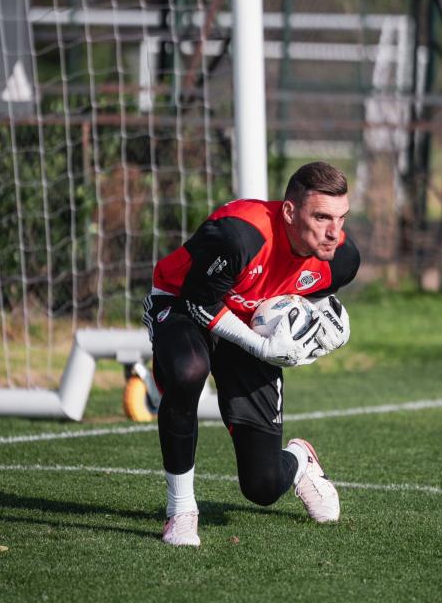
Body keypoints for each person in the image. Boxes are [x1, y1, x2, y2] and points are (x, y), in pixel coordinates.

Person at [143, 161, 360, 546]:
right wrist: (261, 346)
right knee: (188, 370)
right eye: (322, 217)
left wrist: (325, 325)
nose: (334, 232)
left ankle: (298, 462)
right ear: (290, 212)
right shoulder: (239, 235)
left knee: (261, 486)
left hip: (249, 319)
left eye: (341, 218)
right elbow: (200, 303)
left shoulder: (342, 260)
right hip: (184, 303)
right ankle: (181, 511)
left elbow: (311, 297)